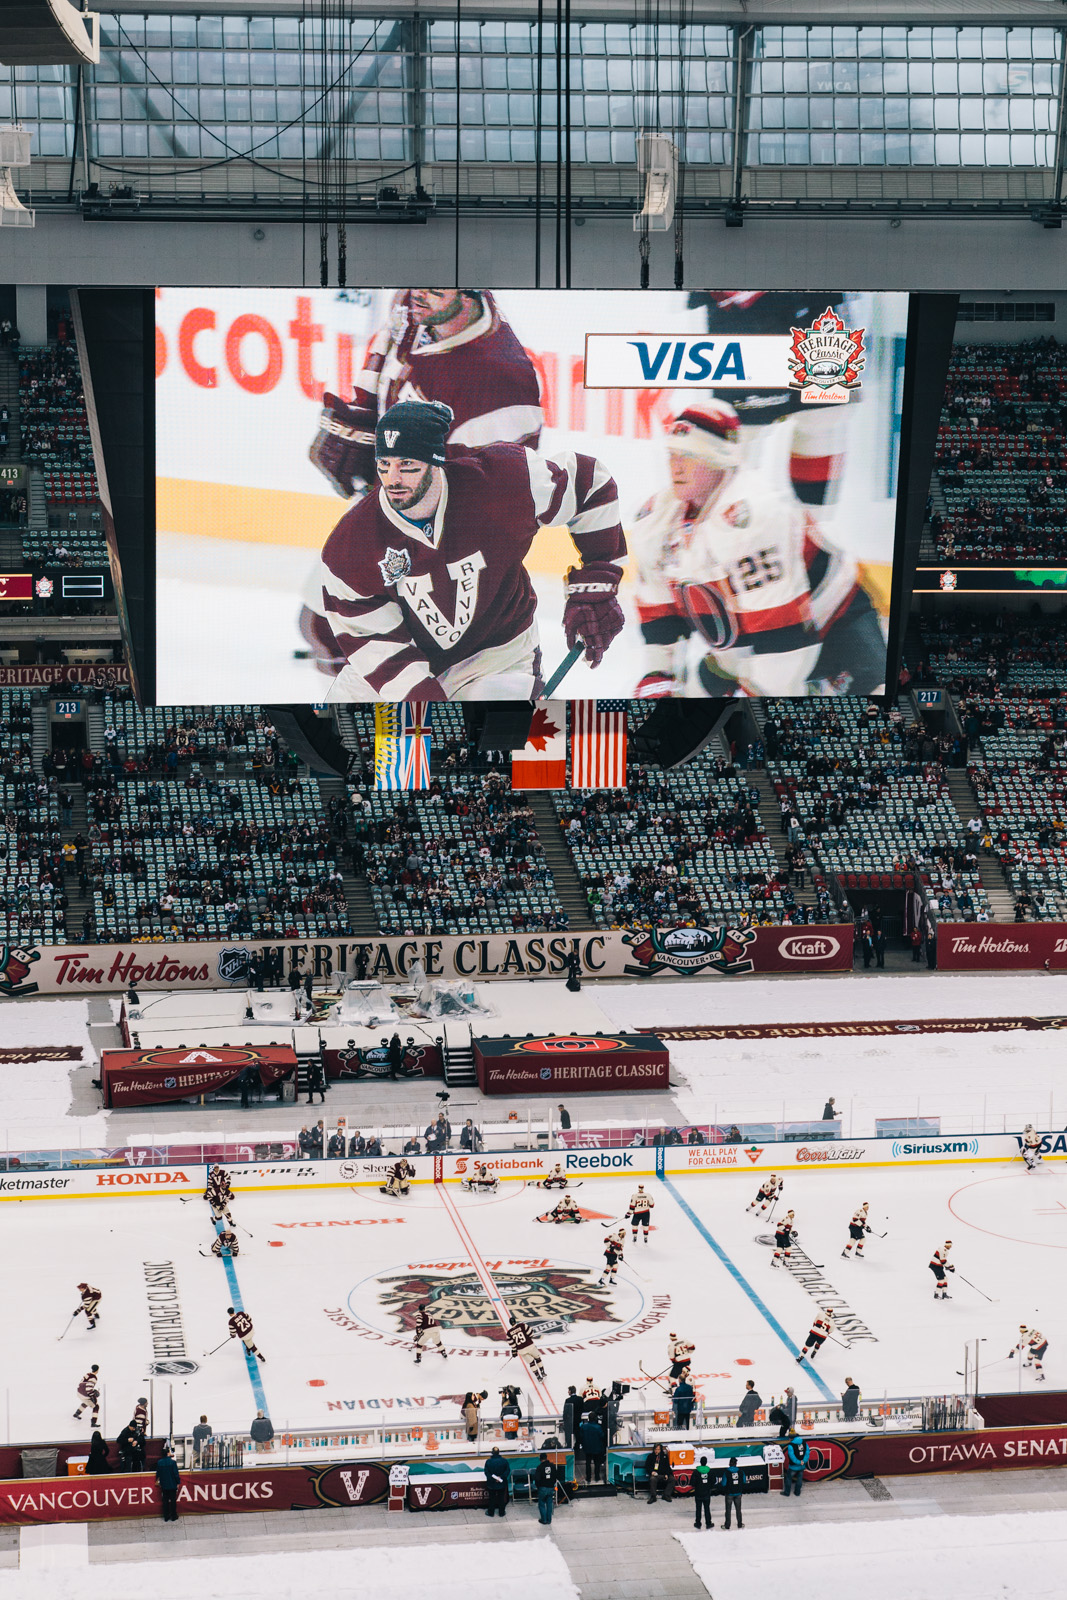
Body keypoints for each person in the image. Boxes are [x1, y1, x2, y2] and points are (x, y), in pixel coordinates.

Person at [320, 399, 626, 702]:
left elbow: (591, 484)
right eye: (384, 466)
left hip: (496, 655)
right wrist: (427, 709)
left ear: (435, 461)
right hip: (399, 667)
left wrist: (599, 579)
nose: (392, 480)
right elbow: (376, 646)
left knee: (506, 739)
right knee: (335, 741)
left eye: (408, 466)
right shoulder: (349, 548)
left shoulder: (501, 481)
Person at [630, 398, 885, 699]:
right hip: (749, 646)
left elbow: (782, 639)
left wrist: (759, 701)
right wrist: (659, 676)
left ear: (718, 459)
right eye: (672, 453)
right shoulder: (658, 516)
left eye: (689, 455)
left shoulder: (754, 516)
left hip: (836, 630)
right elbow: (659, 615)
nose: (676, 465)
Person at [155, 1444, 181, 1522]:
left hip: (164, 1485)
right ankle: (173, 1516)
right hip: (172, 1484)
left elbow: (158, 1474)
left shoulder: (159, 1462)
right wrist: (178, 1482)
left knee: (165, 1501)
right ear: (167, 1453)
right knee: (173, 1501)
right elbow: (176, 1474)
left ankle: (166, 1516)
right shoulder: (173, 1462)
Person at [483, 1445, 511, 1517]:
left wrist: (493, 1479)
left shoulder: (489, 1461)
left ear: (492, 1453)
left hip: (492, 1483)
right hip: (501, 1483)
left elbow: (487, 1472)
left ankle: (491, 1512)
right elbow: (507, 1471)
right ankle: (501, 1512)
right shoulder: (504, 1461)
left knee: (492, 1498)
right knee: (501, 1498)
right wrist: (500, 1478)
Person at [579, 1411, 606, 1483]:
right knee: (597, 1463)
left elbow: (581, 1437)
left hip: (587, 1448)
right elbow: (602, 1436)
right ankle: (597, 1477)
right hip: (597, 1448)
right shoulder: (598, 1427)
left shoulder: (583, 1426)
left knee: (588, 1463)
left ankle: (588, 1477)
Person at [534, 1452, 559, 1525]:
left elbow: (537, 1479)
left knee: (541, 1504)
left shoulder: (539, 1467)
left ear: (540, 1459)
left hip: (542, 1488)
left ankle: (544, 1519)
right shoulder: (552, 1466)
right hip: (551, 1487)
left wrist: (538, 1487)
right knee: (549, 1503)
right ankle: (549, 1520)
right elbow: (556, 1475)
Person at [691, 1453, 714, 1530]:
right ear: (706, 1462)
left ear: (700, 1462)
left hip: (698, 1493)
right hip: (707, 1493)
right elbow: (713, 1481)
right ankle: (708, 1523)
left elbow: (692, 1483)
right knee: (707, 1508)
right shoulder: (709, 1471)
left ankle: (698, 1523)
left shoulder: (696, 1472)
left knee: (698, 1509)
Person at [723, 1457, 745, 1529]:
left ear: (729, 1463)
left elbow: (723, 1483)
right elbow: (744, 1481)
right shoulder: (741, 1471)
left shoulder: (726, 1472)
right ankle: (739, 1524)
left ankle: (727, 1525)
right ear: (736, 1464)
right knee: (738, 1510)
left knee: (728, 1510)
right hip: (738, 1493)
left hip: (729, 1494)